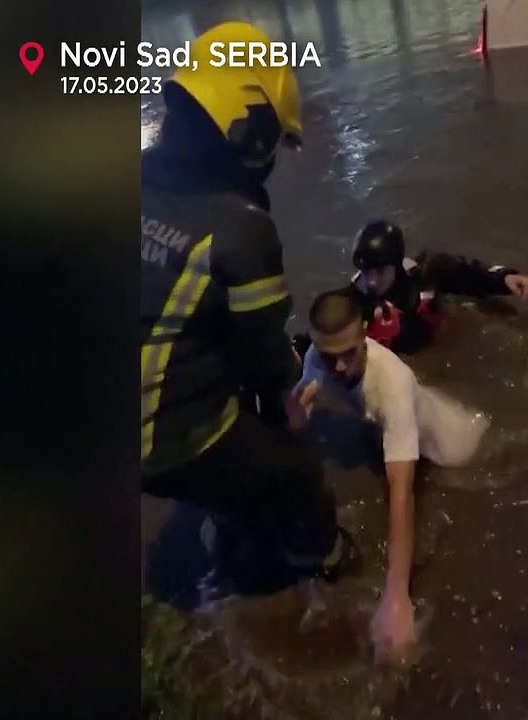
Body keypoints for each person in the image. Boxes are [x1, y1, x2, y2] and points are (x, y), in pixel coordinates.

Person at [140, 21, 356, 596]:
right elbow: (265, 355)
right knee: (297, 475)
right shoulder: (240, 227)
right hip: (159, 436)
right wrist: (288, 404)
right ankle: (322, 564)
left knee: (239, 442)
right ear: (251, 131)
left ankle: (230, 511)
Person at [287, 290, 491, 661]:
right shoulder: (319, 357)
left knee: (448, 483)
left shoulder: (392, 382)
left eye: (349, 353)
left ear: (365, 332)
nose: (338, 368)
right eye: (328, 356)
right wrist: (296, 423)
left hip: (454, 446)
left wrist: (396, 596)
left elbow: (401, 492)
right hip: (408, 415)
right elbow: (301, 411)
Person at [294, 220, 528, 357]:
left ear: (396, 265)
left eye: (380, 272)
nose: (371, 281)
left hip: (443, 339)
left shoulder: (426, 272)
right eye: (367, 272)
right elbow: (319, 339)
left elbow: (472, 274)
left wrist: (506, 278)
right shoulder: (352, 305)